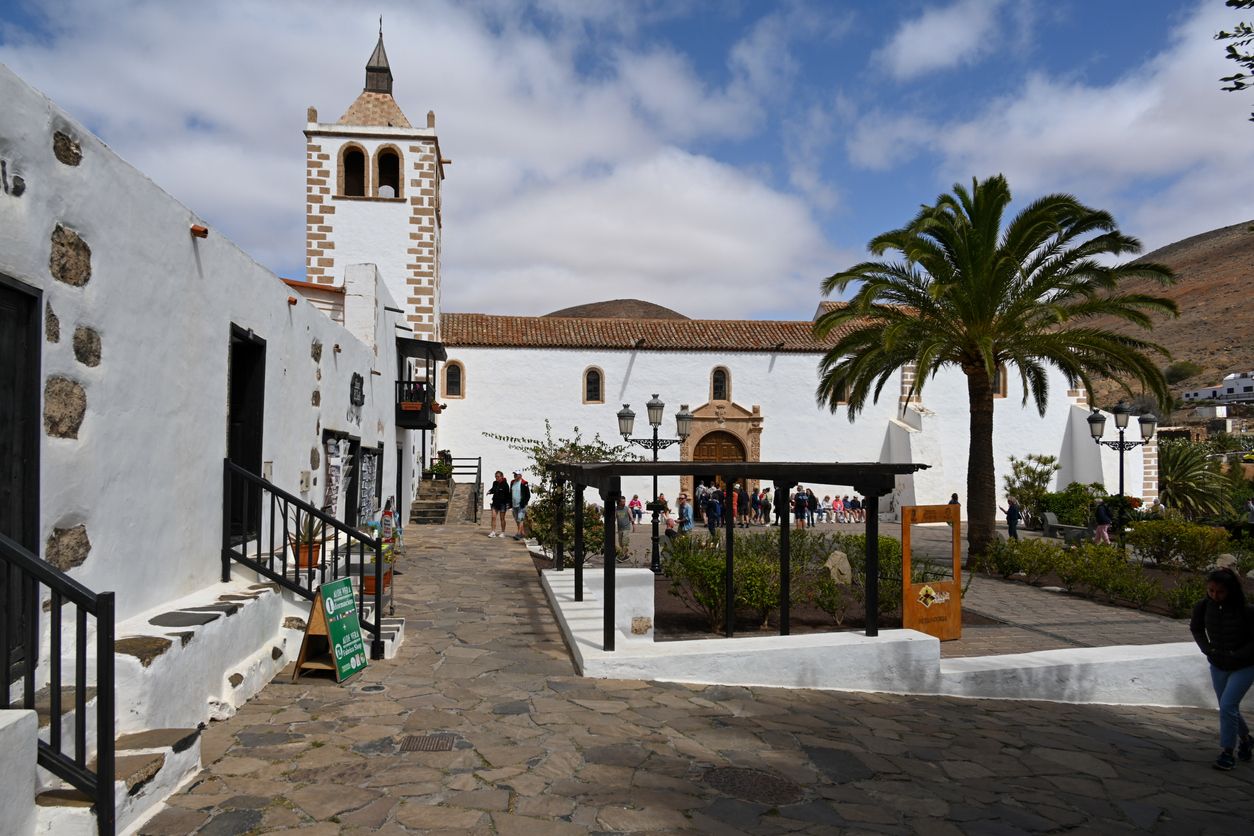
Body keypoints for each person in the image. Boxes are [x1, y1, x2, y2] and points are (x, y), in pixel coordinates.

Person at [1189, 567, 1254, 771]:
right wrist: (1208, 650)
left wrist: (1238, 654)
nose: (1215, 595)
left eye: (1220, 592)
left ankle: (1227, 752)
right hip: (1218, 664)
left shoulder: (1246, 611)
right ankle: (1245, 738)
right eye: (1211, 591)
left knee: (1227, 705)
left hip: (1244, 665)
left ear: (1231, 591)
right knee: (1227, 707)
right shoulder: (1203, 607)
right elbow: (1196, 629)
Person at [487, 471, 511, 537]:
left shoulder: (505, 485)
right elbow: (493, 489)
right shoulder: (495, 483)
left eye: (498, 476)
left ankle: (503, 532)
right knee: (493, 517)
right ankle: (493, 532)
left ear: (501, 476)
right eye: (495, 476)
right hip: (495, 503)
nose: (496, 478)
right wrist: (489, 491)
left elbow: (508, 495)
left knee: (502, 518)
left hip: (502, 504)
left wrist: (508, 503)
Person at [509, 470, 530, 540]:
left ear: (520, 475)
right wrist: (510, 503)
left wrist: (523, 503)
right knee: (517, 520)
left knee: (520, 519)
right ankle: (522, 533)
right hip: (514, 504)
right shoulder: (512, 482)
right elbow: (510, 493)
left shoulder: (524, 483)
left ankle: (518, 533)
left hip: (521, 505)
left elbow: (528, 495)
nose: (515, 475)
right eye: (514, 474)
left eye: (516, 474)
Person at [614, 496, 632, 562]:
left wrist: (633, 525)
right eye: (622, 501)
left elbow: (631, 518)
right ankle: (626, 555)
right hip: (620, 528)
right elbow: (614, 518)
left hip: (626, 528)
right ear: (619, 502)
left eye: (624, 501)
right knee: (620, 543)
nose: (624, 502)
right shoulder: (616, 509)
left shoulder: (627, 509)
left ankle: (622, 556)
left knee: (625, 542)